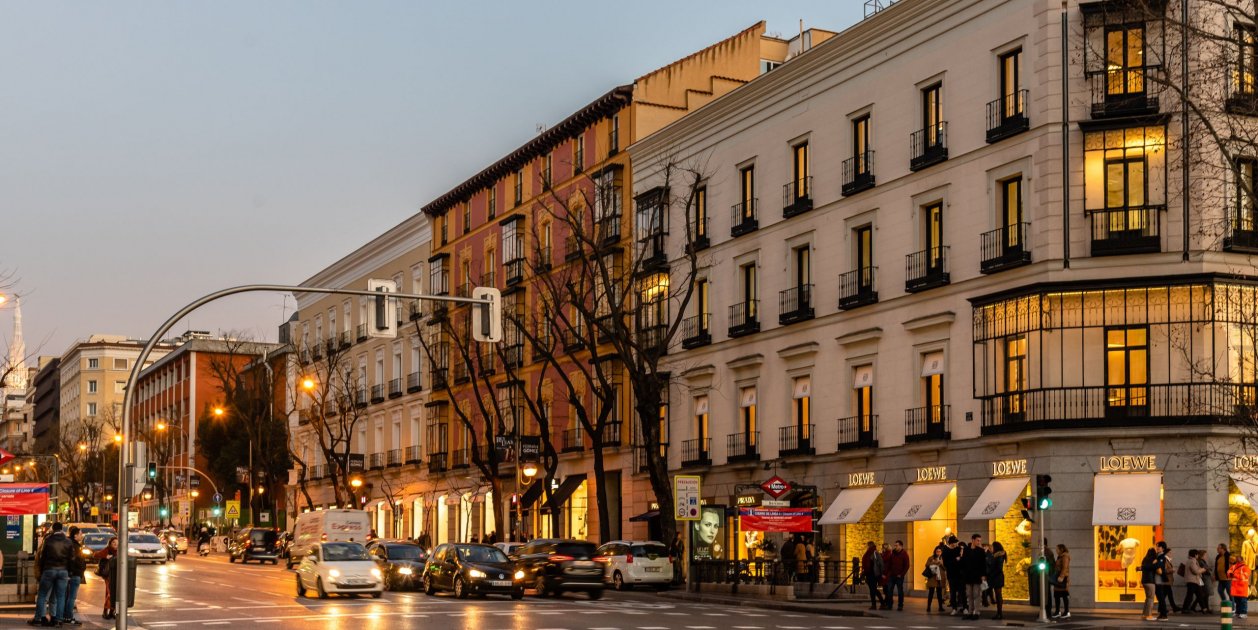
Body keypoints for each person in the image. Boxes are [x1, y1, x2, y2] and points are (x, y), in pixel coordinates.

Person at [29, 522, 71, 627]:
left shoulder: (48, 540)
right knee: (60, 596)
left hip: (49, 570)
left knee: (42, 595)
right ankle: (58, 620)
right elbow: (72, 559)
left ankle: (38, 618)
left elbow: (42, 556)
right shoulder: (68, 541)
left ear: (53, 529)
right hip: (63, 571)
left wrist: (42, 571)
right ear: (61, 529)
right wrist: (69, 572)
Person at [60, 526, 86, 626]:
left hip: (69, 573)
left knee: (66, 596)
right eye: (80, 534)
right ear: (75, 535)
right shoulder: (75, 546)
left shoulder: (68, 543)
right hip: (74, 574)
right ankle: (68, 617)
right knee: (71, 597)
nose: (82, 535)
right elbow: (76, 560)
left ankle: (63, 616)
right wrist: (80, 569)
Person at [960, 534, 988, 620]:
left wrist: (983, 575)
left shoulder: (981, 551)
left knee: (976, 595)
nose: (979, 542)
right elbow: (963, 563)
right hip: (968, 576)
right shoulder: (966, 550)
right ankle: (970, 612)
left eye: (980, 540)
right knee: (969, 595)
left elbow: (983, 564)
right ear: (972, 540)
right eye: (977, 540)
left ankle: (976, 612)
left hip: (977, 576)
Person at [942, 535, 966, 615]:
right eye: (955, 543)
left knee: (962, 591)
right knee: (953, 592)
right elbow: (946, 564)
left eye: (956, 543)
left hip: (960, 574)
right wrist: (955, 560)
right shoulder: (945, 551)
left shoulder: (959, 549)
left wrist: (961, 556)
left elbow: (963, 560)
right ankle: (954, 608)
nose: (956, 544)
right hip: (951, 575)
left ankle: (965, 607)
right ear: (951, 543)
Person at [95, 537, 118, 620]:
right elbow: (96, 555)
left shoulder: (120, 551)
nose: (116, 545)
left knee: (113, 594)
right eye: (114, 543)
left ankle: (112, 612)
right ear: (110, 544)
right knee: (110, 593)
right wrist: (105, 556)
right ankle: (105, 611)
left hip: (117, 575)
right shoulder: (107, 550)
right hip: (108, 575)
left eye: (117, 543)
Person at [885, 540, 909, 611]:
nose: (895, 547)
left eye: (897, 545)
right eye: (895, 545)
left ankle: (900, 605)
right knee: (889, 590)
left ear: (901, 546)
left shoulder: (904, 554)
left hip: (899, 576)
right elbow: (889, 564)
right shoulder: (893, 553)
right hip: (892, 575)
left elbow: (906, 565)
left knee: (900, 591)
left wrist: (901, 574)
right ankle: (889, 605)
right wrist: (888, 573)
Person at [861, 541, 885, 610]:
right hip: (868, 573)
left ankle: (879, 603)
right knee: (872, 590)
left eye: (867, 545)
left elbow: (880, 563)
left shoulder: (875, 553)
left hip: (873, 574)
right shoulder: (868, 553)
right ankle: (876, 604)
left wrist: (881, 573)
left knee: (873, 589)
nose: (867, 547)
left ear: (869, 546)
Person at [1183, 549, 1207, 615]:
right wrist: (1203, 569)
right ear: (1195, 555)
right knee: (1191, 596)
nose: (1198, 556)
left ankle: (1204, 608)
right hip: (1192, 581)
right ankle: (1185, 609)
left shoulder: (1190, 560)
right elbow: (1196, 571)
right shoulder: (1192, 561)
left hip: (1194, 580)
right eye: (1197, 554)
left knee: (1199, 595)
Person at [1051, 543, 1071, 620]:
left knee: (1064, 595)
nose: (1056, 550)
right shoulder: (1060, 556)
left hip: (1062, 578)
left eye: (1057, 549)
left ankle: (1067, 612)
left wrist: (1061, 576)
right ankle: (1057, 611)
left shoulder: (1065, 556)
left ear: (1061, 549)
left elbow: (1065, 567)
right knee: (1057, 595)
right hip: (1058, 577)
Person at [988, 541, 1007, 620]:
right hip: (996, 577)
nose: (991, 548)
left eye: (992, 547)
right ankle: (999, 613)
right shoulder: (996, 555)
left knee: (998, 596)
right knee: (998, 595)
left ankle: (999, 613)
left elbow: (998, 568)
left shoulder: (999, 556)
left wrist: (991, 574)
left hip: (997, 578)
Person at [1154, 541, 1173, 621]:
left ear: (1163, 548)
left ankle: (1164, 615)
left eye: (1159, 547)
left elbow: (1160, 566)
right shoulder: (1158, 556)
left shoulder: (1162, 557)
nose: (1157, 548)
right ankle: (1162, 614)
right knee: (1160, 597)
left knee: (1161, 597)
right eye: (1157, 546)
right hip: (1157, 578)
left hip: (1159, 579)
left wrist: (1154, 564)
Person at [1140, 548, 1159, 621]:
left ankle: (1144, 614)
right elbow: (1155, 568)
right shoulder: (1153, 560)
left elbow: (1144, 567)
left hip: (1144, 581)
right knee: (1151, 599)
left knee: (1148, 598)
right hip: (1150, 581)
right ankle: (1149, 615)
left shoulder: (1145, 559)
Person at [1230, 553, 1251, 619]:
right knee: (1238, 601)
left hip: (1242, 587)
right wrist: (1231, 574)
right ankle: (1238, 613)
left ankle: (1244, 613)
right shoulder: (1234, 566)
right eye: (1236, 558)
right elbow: (1228, 572)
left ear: (1241, 559)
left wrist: (1234, 575)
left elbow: (1245, 576)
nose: (1236, 559)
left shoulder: (1246, 567)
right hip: (1236, 588)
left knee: (1243, 601)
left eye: (1238, 558)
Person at [925, 546, 946, 613]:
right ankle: (928, 607)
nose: (938, 553)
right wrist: (935, 562)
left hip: (940, 578)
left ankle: (940, 607)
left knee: (939, 593)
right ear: (935, 551)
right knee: (931, 592)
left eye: (939, 551)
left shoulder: (943, 558)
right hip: (932, 577)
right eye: (937, 551)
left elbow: (946, 567)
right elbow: (927, 565)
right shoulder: (931, 558)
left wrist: (941, 563)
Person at [1217, 543, 1234, 610]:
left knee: (1230, 593)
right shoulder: (1219, 557)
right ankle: (1226, 606)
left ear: (1222, 549)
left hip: (1227, 579)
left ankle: (1232, 609)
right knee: (1220, 591)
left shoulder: (1229, 556)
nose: (1217, 549)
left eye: (1218, 548)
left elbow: (1235, 563)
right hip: (1221, 578)